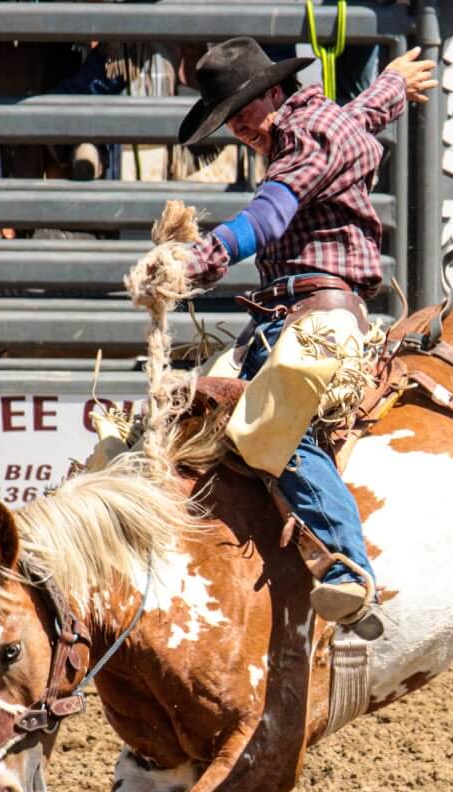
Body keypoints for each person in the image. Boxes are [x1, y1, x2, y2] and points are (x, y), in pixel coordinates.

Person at [175, 36, 435, 624]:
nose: (238, 128)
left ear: (273, 94)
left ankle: (348, 566)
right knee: (192, 418)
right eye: (227, 121)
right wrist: (393, 83)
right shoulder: (319, 124)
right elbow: (362, 115)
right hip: (278, 319)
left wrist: (198, 258)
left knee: (271, 419)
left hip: (321, 317)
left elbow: (269, 215)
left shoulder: (310, 133)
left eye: (241, 112)